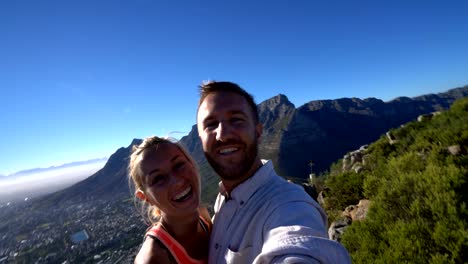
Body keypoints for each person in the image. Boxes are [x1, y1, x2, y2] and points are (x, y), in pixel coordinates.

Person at [196, 81, 351, 263]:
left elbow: (299, 244)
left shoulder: (289, 205)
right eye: (211, 124)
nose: (223, 134)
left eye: (236, 119)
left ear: (258, 131)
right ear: (201, 140)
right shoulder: (223, 199)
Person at [128, 136, 211, 264]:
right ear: (146, 197)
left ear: (192, 164)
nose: (177, 182)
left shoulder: (203, 217)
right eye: (158, 178)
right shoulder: (154, 258)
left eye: (179, 165)